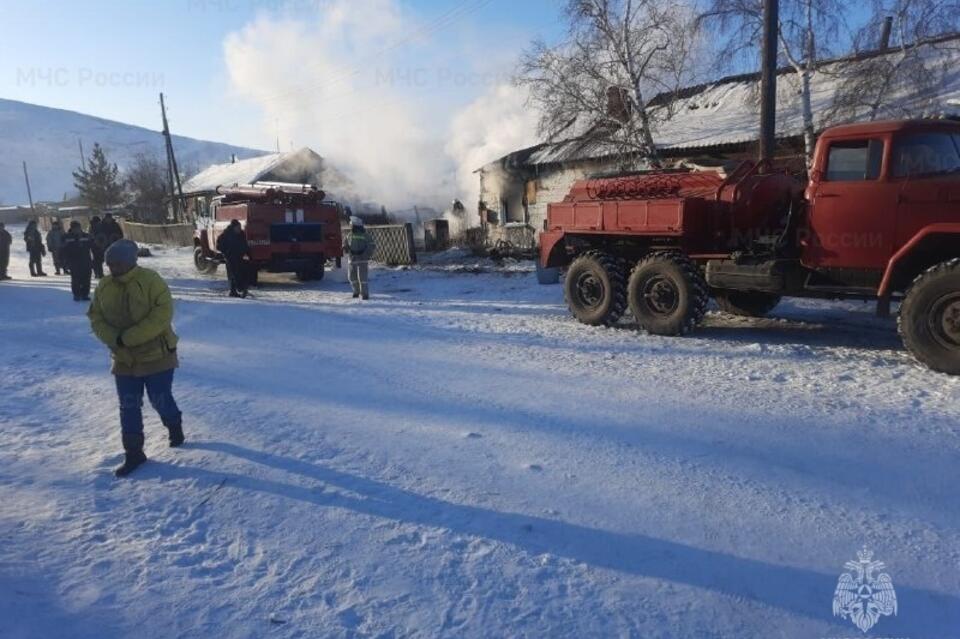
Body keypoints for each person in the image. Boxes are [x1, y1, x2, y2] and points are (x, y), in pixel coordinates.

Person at [88, 239, 185, 477]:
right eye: (109, 264)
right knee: (128, 405)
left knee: (159, 398)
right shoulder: (104, 286)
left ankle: (173, 423)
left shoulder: (151, 281)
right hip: (123, 358)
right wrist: (114, 338)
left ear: (131, 262)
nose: (113, 268)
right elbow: (95, 316)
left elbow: (162, 315)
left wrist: (128, 337)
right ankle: (134, 452)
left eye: (118, 263)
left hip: (157, 355)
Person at [216, 219, 251, 298]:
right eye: (237, 227)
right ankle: (237, 289)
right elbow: (219, 245)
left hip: (239, 256)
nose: (239, 229)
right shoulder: (226, 234)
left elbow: (245, 244)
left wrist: (248, 253)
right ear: (233, 227)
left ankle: (236, 290)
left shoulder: (241, 234)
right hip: (230, 257)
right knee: (234, 274)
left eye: (240, 227)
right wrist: (226, 252)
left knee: (241, 272)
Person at [343, 216, 375, 300]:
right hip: (352, 258)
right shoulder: (349, 235)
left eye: (351, 225)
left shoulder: (365, 235)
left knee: (362, 277)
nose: (350, 227)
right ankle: (356, 292)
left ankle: (365, 294)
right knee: (351, 277)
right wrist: (345, 247)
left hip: (362, 258)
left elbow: (371, 245)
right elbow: (345, 243)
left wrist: (366, 254)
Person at [60, 221, 94, 301]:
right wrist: (64, 262)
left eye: (78, 228)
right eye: (75, 228)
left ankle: (85, 294)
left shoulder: (86, 236)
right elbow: (62, 250)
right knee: (76, 279)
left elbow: (92, 245)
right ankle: (77, 294)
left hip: (86, 260)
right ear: (72, 228)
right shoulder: (66, 237)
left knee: (86, 279)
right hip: (73, 261)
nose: (77, 230)